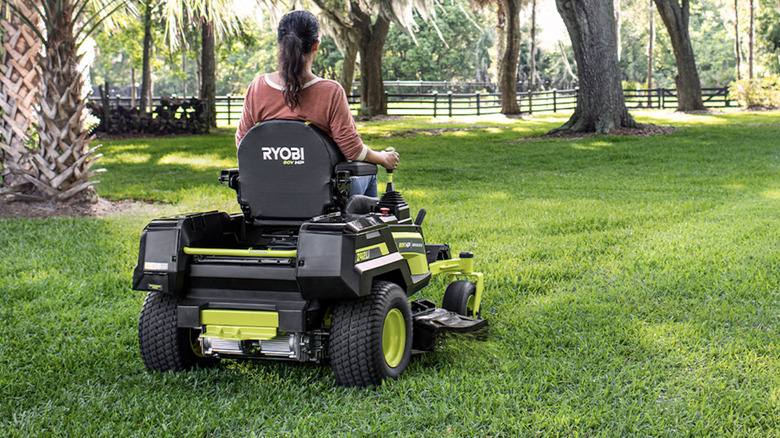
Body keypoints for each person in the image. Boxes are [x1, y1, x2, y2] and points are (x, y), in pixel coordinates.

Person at [235, 10, 398, 197]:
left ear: (280, 43)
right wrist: (383, 158)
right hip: (320, 197)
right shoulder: (330, 92)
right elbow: (352, 151)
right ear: (316, 45)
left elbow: (243, 144)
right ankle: (366, 224)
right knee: (368, 172)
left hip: (268, 194)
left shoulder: (258, 88)